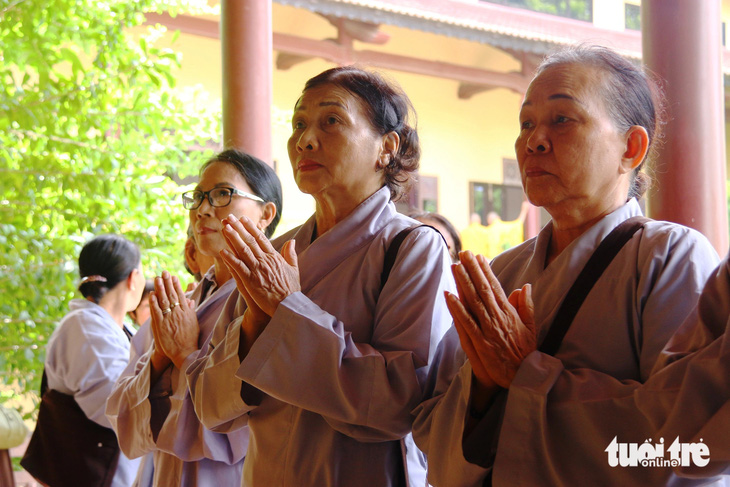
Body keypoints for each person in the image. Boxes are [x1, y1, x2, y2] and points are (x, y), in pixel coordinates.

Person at [412, 45, 722, 486]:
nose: (533, 140)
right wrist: (482, 391)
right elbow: (430, 428)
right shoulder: (502, 272)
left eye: (562, 119)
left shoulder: (670, 256)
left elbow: (689, 447)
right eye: (525, 123)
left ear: (630, 148)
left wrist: (526, 375)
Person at [186, 66, 454, 487]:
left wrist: (285, 310)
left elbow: (399, 403)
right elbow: (208, 404)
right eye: (298, 124)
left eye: (331, 121)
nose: (305, 140)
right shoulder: (272, 254)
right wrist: (255, 327)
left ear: (387, 147)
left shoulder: (412, 248)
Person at [106, 150, 282, 486]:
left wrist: (186, 356)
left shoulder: (271, 304)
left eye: (222, 194)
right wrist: (160, 356)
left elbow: (247, 422)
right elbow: (121, 419)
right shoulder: (176, 309)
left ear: (266, 213)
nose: (203, 209)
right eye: (198, 197)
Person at [36, 234, 145, 487]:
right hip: (98, 477)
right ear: (133, 278)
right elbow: (121, 410)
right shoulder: (86, 329)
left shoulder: (107, 327)